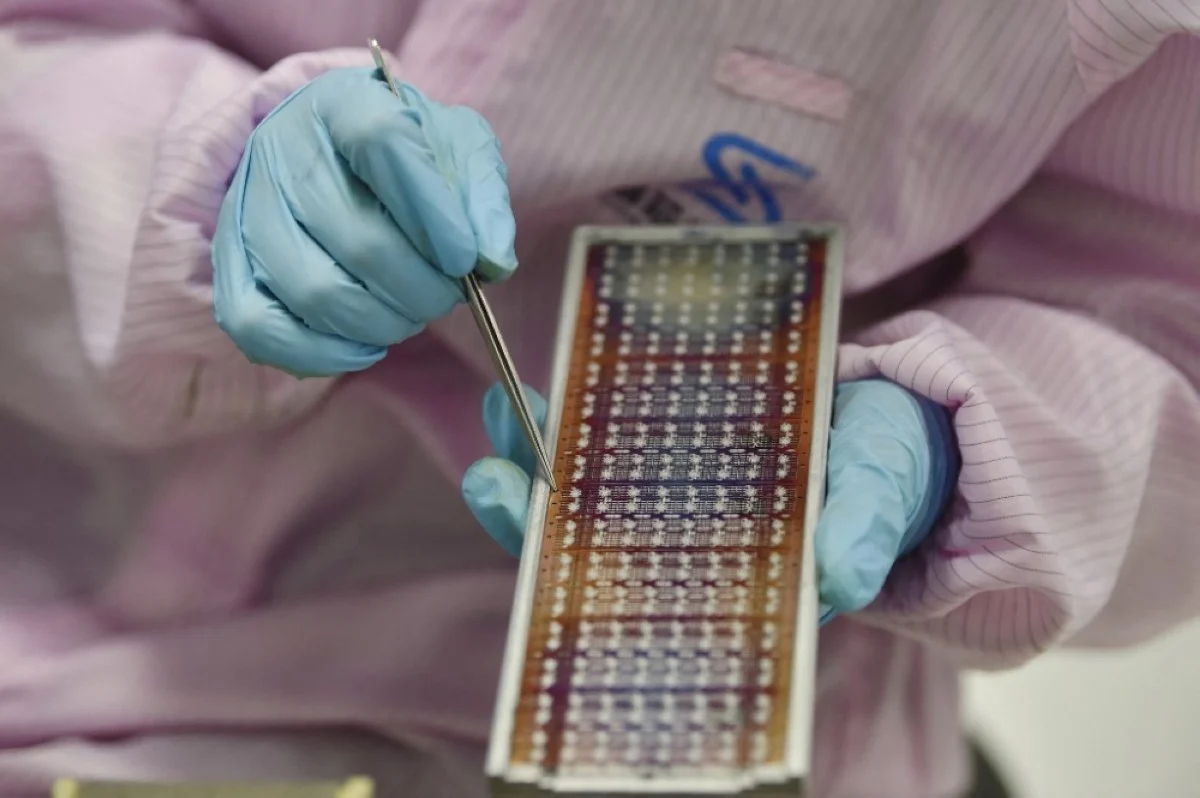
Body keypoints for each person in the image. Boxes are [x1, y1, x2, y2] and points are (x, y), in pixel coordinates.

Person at [0, 2, 1197, 796]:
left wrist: (965, 447)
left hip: (746, 734)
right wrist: (191, 189)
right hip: (79, 639)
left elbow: (1169, 315)